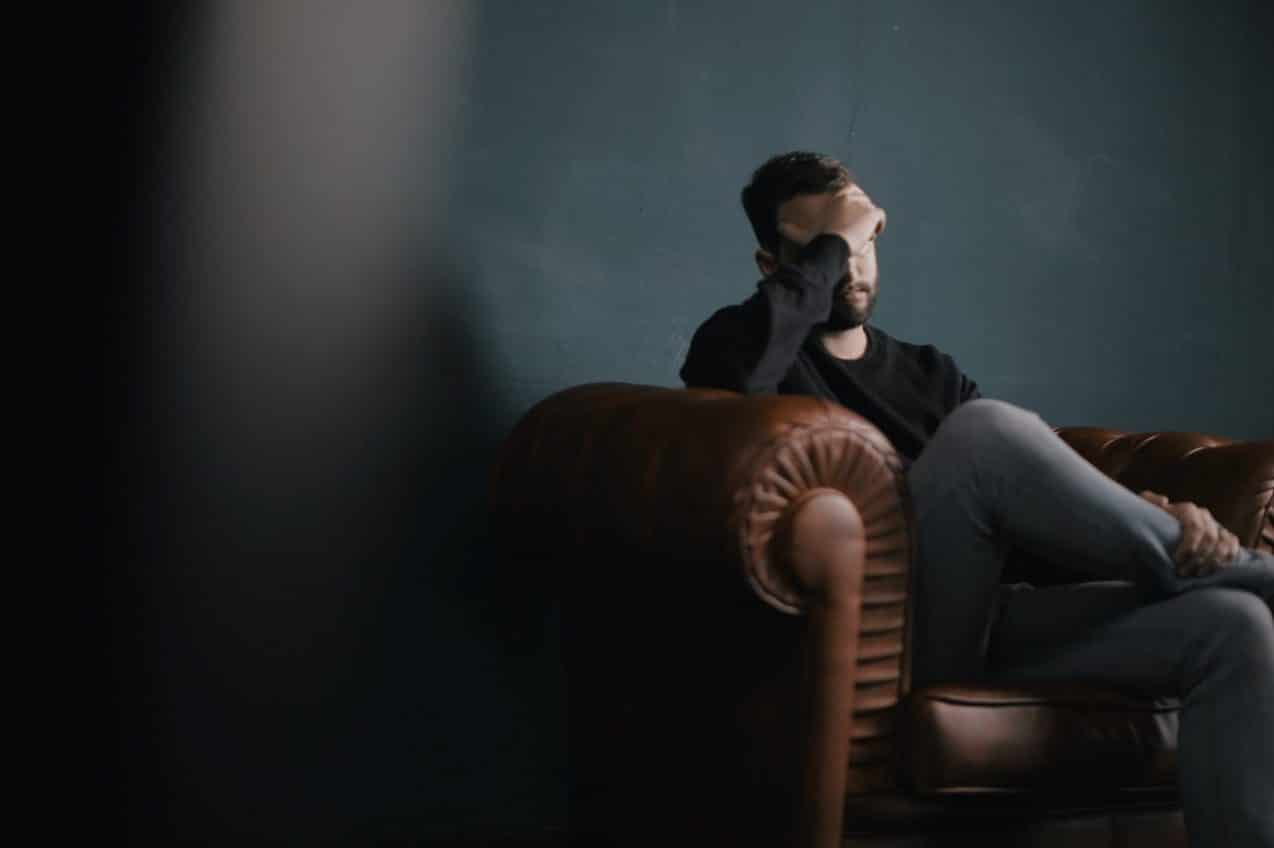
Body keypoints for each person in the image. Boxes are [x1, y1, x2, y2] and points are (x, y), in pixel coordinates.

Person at [680, 151, 1274, 847]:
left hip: (992, 620)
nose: (850, 263)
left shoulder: (932, 373)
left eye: (863, 237)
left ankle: (1213, 571)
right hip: (891, 638)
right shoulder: (741, 346)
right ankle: (1236, 568)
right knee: (984, 432)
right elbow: (729, 389)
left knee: (1235, 627)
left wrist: (1151, 513)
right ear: (771, 265)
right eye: (823, 244)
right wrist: (838, 240)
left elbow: (1026, 508)